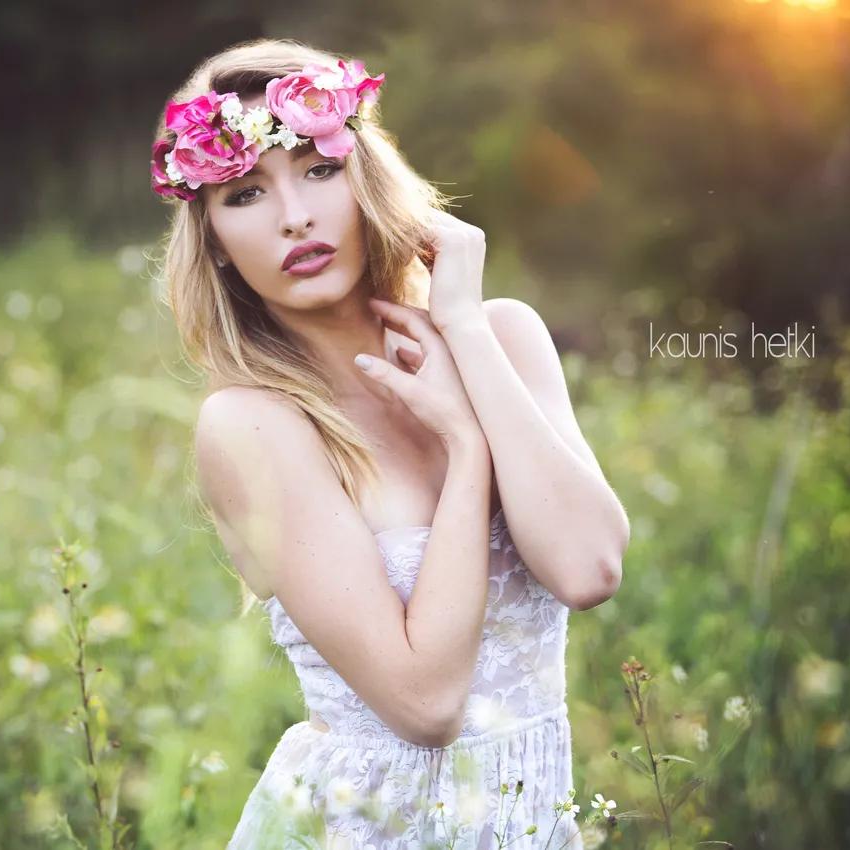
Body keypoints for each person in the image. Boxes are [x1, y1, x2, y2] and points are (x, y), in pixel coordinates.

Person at [150, 37, 629, 850]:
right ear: (217, 243)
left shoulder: (504, 339)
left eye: (319, 169)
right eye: (245, 193)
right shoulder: (253, 423)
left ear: (367, 175)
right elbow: (424, 705)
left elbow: (589, 570)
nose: (294, 215)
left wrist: (464, 328)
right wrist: (467, 450)